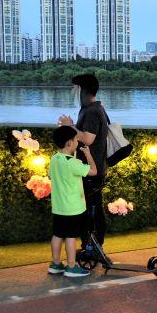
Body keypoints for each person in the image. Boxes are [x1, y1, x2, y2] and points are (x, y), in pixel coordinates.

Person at [58, 74, 109, 246]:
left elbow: (88, 139)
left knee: (91, 209)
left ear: (82, 90)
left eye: (75, 89)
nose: (73, 92)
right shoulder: (91, 109)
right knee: (90, 207)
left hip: (91, 170)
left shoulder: (93, 111)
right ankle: (91, 245)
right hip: (90, 168)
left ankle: (92, 246)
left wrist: (69, 126)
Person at [48, 126, 97, 278]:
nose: (78, 142)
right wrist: (88, 155)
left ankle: (55, 264)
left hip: (58, 207)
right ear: (70, 143)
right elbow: (93, 171)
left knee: (57, 235)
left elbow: (50, 176)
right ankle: (71, 266)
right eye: (76, 140)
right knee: (70, 237)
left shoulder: (55, 158)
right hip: (73, 208)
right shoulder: (73, 163)